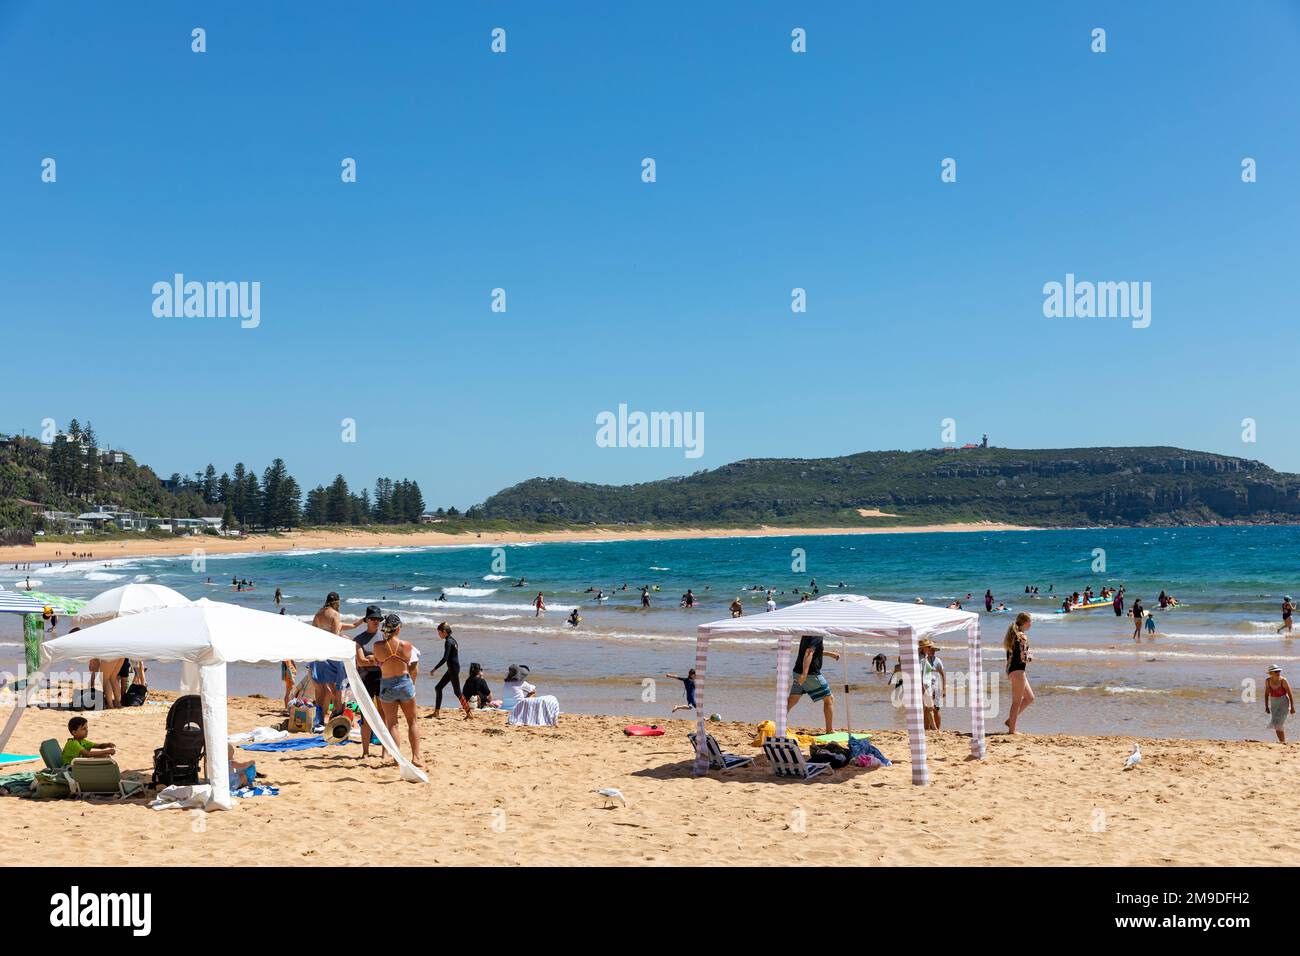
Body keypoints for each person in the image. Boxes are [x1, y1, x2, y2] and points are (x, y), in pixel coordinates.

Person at [370, 614, 423, 768]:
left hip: (386, 684)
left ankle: (397, 757)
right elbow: (413, 667)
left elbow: (376, 661)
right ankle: (416, 757)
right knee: (412, 721)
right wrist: (412, 684)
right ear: (398, 628)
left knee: (392, 724)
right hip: (404, 682)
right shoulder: (406, 646)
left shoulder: (377, 646)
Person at [347, 605, 385, 756]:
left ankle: (385, 752)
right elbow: (361, 661)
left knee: (383, 715)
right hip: (365, 679)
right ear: (367, 620)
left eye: (378, 619)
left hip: (382, 678)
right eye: (373, 619)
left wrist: (372, 659)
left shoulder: (384, 637)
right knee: (366, 715)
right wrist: (376, 660)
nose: (376, 621)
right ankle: (365, 752)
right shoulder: (358, 639)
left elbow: (387, 658)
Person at [309, 592, 350, 728]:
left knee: (321, 689)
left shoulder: (318, 613)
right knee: (337, 687)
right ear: (337, 602)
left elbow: (313, 632)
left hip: (319, 653)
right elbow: (335, 635)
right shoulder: (335, 615)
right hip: (332, 654)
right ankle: (336, 714)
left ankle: (319, 721)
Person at [786, 634, 840, 735]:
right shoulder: (817, 635)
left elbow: (813, 651)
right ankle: (829, 730)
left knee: (792, 700)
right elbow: (809, 652)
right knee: (829, 699)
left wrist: (830, 654)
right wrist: (805, 674)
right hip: (810, 675)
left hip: (797, 672)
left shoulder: (807, 633)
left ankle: (778, 724)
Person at [430, 622, 471, 719]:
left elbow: (445, 658)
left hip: (453, 669)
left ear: (444, 632)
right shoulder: (453, 640)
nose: (438, 634)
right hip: (453, 668)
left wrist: (435, 668)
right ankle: (436, 713)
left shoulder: (448, 642)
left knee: (457, 692)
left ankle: (469, 713)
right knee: (438, 688)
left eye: (439, 632)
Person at [1004, 612, 1034, 734]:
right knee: (1016, 702)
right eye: (1030, 621)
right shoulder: (1022, 637)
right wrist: (1031, 656)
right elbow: (1024, 657)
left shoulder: (1013, 635)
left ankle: (1010, 721)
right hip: (1018, 670)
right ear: (1025, 622)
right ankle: (1012, 730)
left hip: (1013, 670)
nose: (1031, 624)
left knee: (1030, 698)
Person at [920, 639, 946, 731]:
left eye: (934, 650)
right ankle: (927, 729)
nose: (933, 651)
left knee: (936, 708)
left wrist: (944, 688)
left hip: (936, 687)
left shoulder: (937, 661)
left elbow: (943, 674)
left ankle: (937, 728)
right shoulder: (923, 659)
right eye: (931, 649)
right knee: (928, 708)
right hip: (927, 686)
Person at [1265, 665, 1294, 743]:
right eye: (1276, 671)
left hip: (1284, 702)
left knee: (1279, 723)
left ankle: (1283, 741)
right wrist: (1266, 706)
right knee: (1275, 723)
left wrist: (1292, 707)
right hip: (1273, 703)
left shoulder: (1283, 680)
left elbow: (1290, 693)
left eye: (1279, 671)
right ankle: (1282, 741)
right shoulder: (1267, 681)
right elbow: (1266, 694)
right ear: (1271, 673)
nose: (1278, 672)